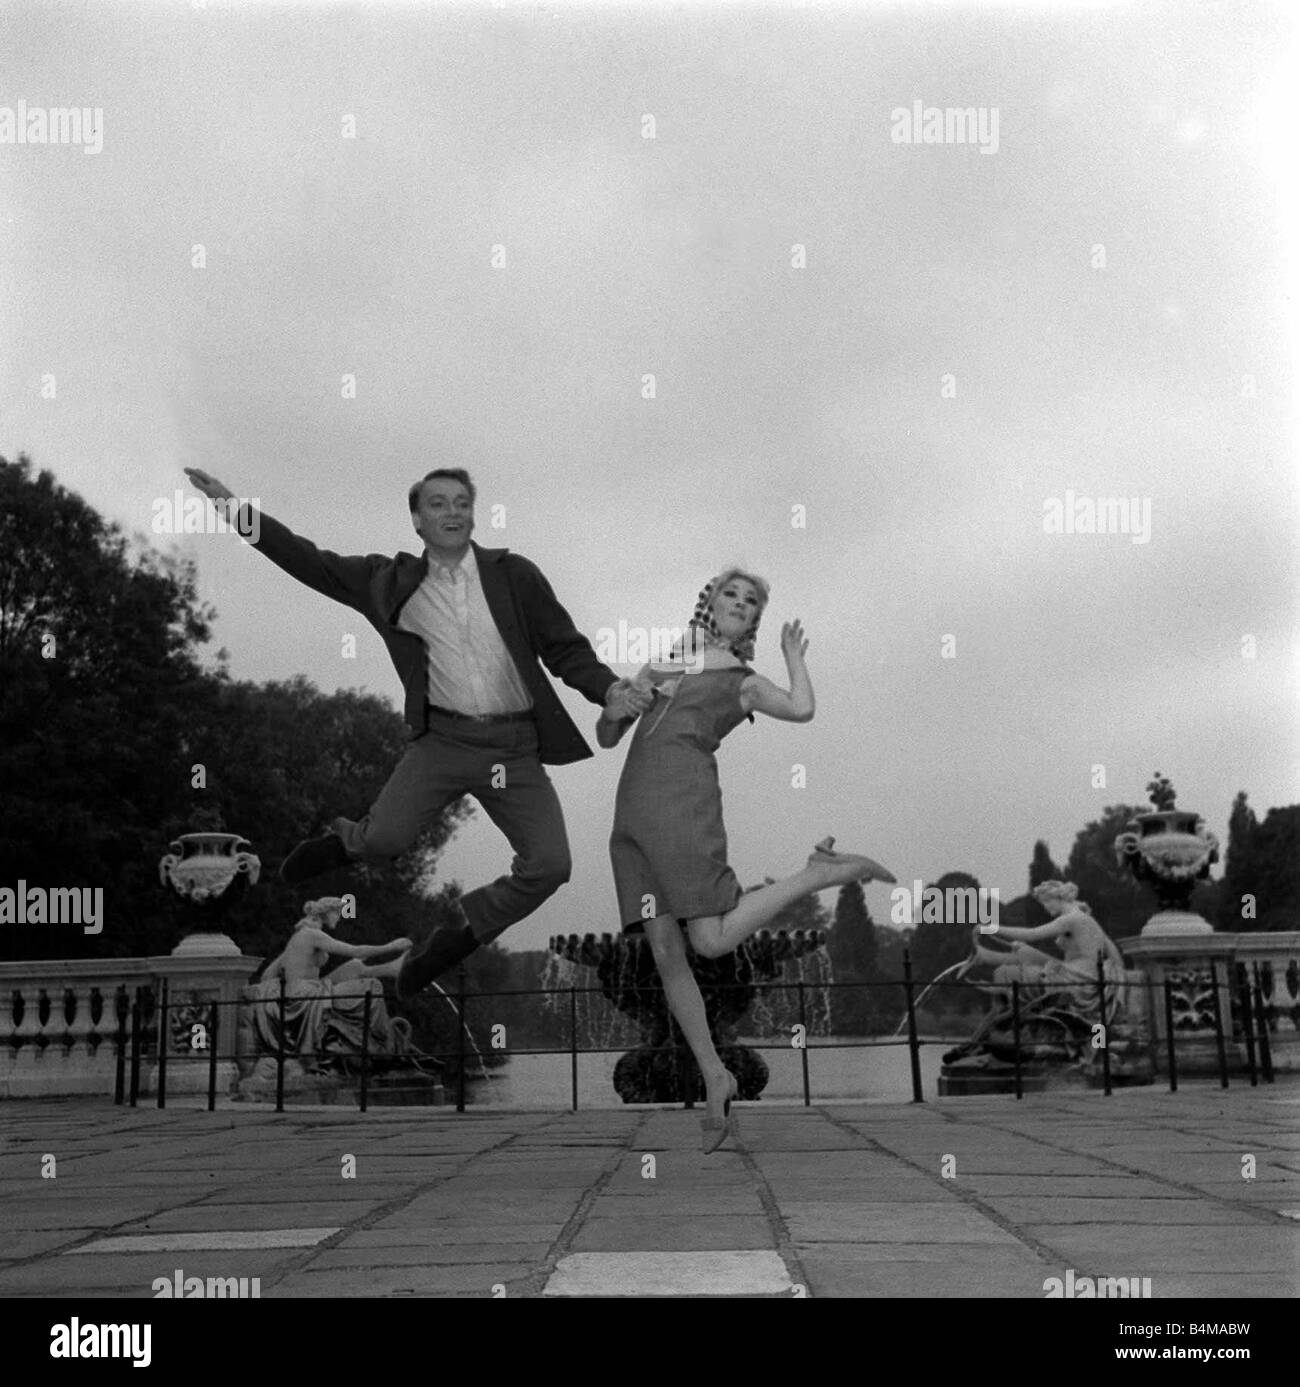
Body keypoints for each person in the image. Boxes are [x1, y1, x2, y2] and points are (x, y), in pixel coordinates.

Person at [183, 466, 651, 994]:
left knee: (550, 865)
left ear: (473, 515)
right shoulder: (386, 580)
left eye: (460, 503)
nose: (451, 512)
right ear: (416, 520)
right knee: (384, 839)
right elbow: (305, 559)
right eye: (437, 504)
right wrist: (233, 509)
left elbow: (565, 647)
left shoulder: (514, 574)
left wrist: (609, 689)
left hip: (512, 749)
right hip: (443, 742)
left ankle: (456, 936)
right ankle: (346, 844)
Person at [599, 569, 896, 1152]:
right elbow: (609, 734)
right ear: (708, 603)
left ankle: (818, 872)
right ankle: (716, 1075)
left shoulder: (741, 680)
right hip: (631, 814)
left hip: (685, 805)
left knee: (708, 940)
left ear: (753, 621)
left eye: (751, 600)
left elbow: (802, 708)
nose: (739, 602)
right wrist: (616, 705)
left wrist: (792, 657)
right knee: (664, 951)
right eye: (730, 594)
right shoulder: (666, 662)